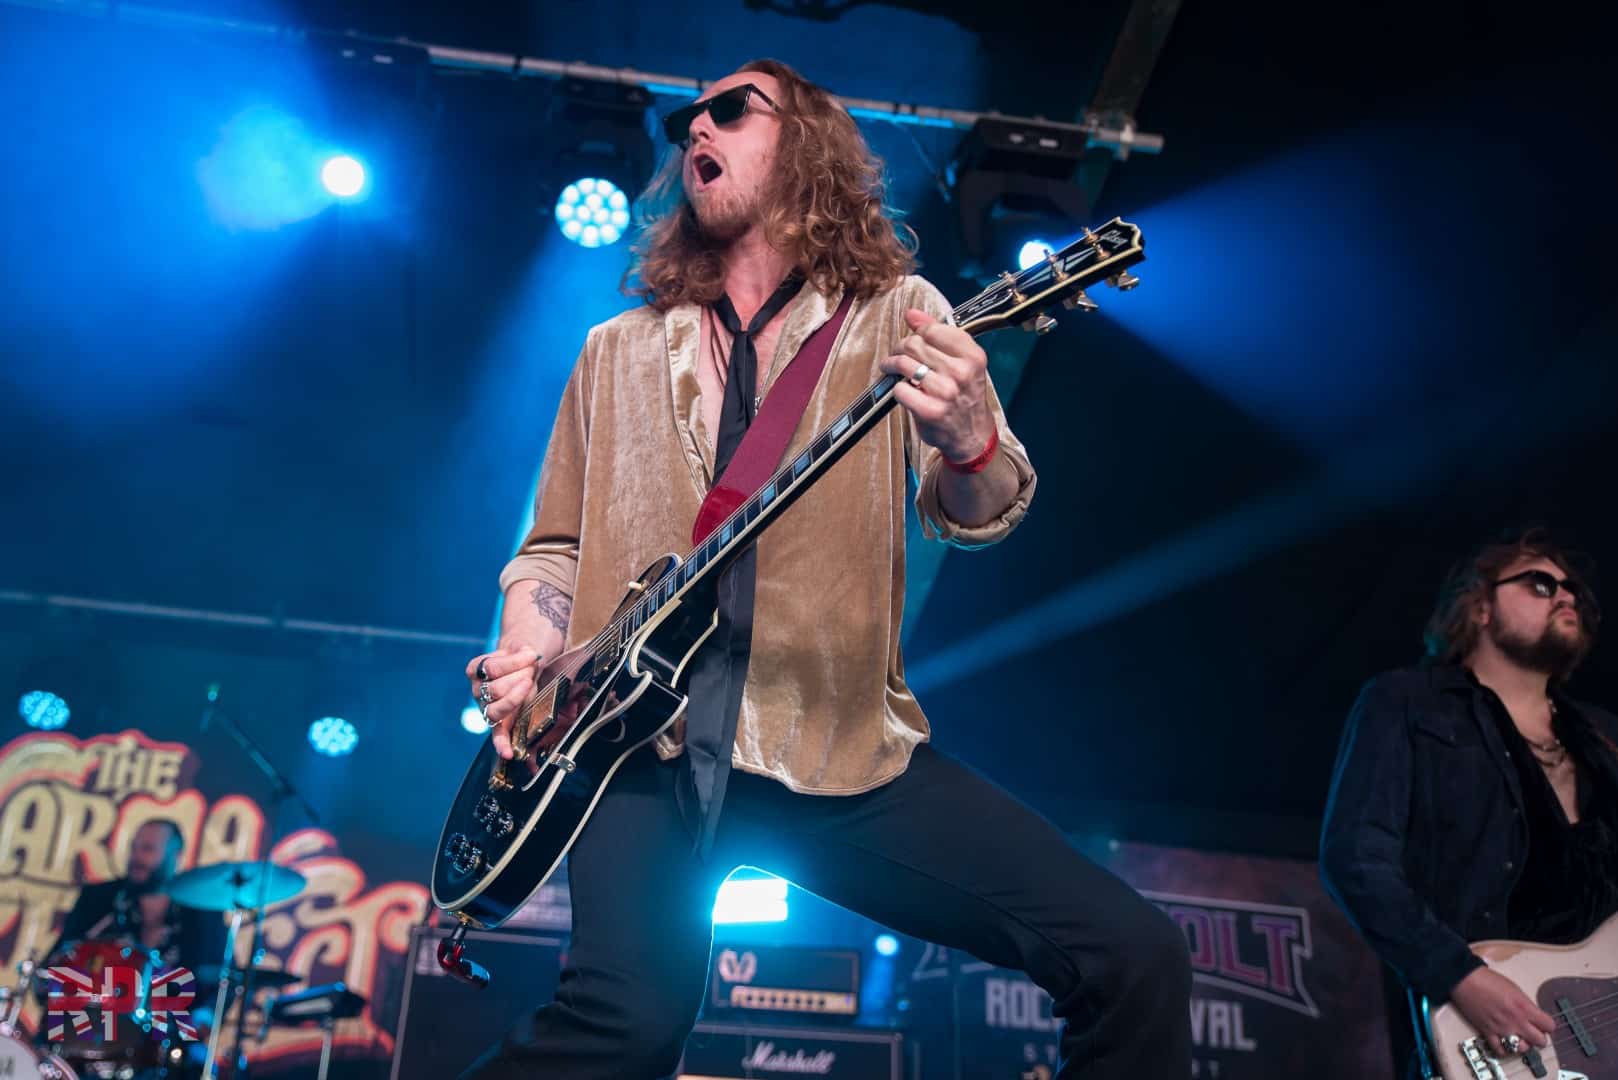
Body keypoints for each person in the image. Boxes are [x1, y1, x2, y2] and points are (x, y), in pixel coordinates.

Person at [460, 59, 1191, 1079]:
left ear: (808, 140)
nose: (695, 128)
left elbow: (979, 508)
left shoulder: (899, 313)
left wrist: (972, 437)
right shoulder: (614, 349)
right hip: (633, 750)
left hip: (834, 745)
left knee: (1132, 955)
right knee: (624, 1024)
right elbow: (553, 548)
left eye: (729, 110)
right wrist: (527, 654)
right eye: (685, 119)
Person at [1320, 527, 1618, 1077]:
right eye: (1540, 583)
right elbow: (1355, 858)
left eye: (1572, 589)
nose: (1565, 596)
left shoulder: (1604, 736)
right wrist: (1459, 975)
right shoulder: (1408, 703)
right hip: (1491, 1030)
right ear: (1480, 607)